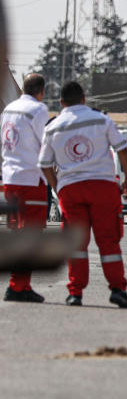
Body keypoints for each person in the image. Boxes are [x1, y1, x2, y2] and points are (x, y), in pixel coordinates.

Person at [38, 81, 127, 308]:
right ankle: (117, 289)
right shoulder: (101, 119)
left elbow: (44, 163)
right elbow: (122, 149)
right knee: (109, 241)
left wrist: (57, 187)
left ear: (61, 102)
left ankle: (76, 293)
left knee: (76, 244)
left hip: (70, 190)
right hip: (103, 186)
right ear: (84, 98)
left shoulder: (53, 127)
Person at [2, 73, 50, 303]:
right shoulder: (39, 110)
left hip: (10, 178)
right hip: (31, 178)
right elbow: (46, 144)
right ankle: (18, 285)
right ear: (41, 91)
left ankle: (18, 283)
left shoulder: (9, 109)